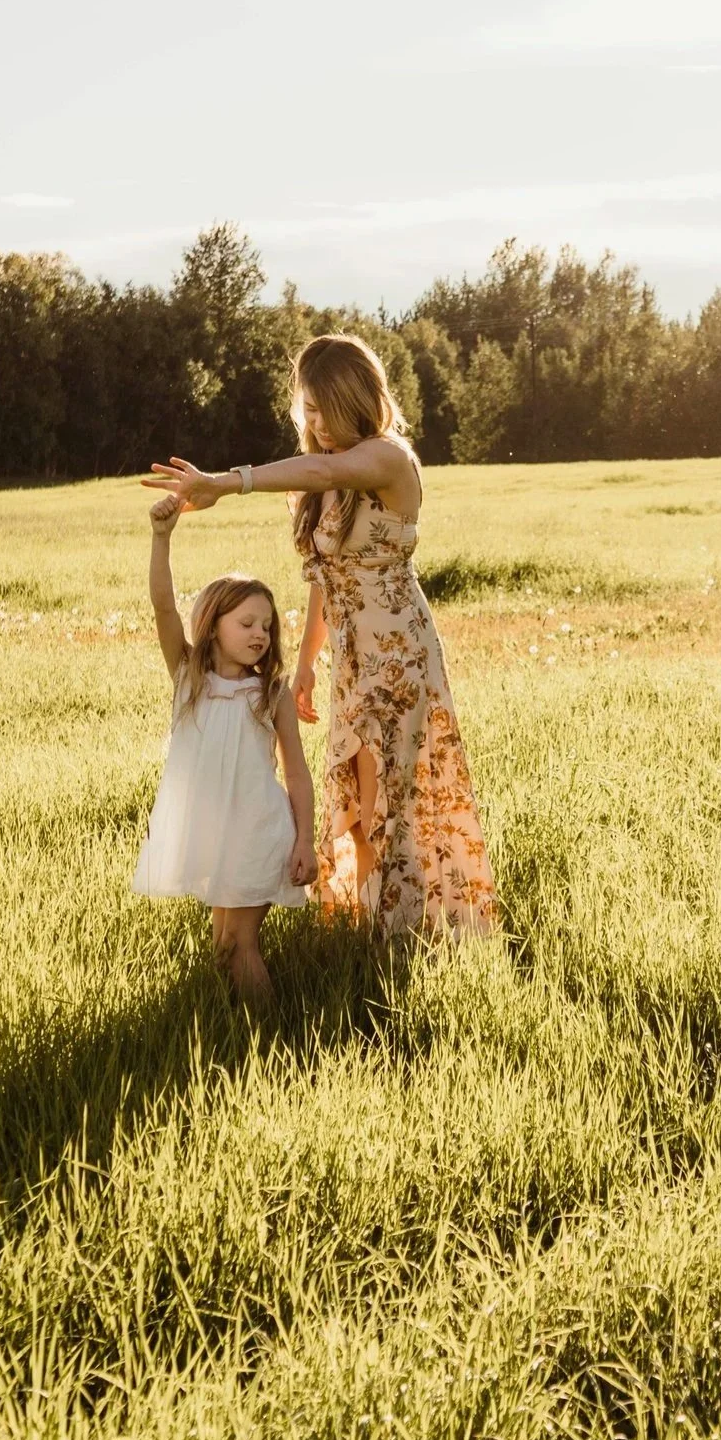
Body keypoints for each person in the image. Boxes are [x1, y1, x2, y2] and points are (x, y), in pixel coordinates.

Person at [144, 334, 497, 934]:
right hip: (351, 660)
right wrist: (308, 660)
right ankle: (365, 921)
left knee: (389, 787)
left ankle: (403, 928)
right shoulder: (322, 480)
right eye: (306, 409)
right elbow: (323, 579)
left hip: (399, 655)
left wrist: (225, 483)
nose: (316, 422)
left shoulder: (387, 458)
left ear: (359, 399)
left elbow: (325, 467)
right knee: (356, 798)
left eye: (326, 407)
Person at [130, 499, 315, 1000]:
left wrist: (305, 841)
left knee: (238, 944)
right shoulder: (190, 678)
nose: (261, 633)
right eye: (247, 622)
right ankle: (232, 1037)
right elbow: (164, 606)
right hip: (215, 833)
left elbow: (296, 774)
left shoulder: (271, 694)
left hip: (260, 831)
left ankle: (272, 1042)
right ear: (212, 624)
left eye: (267, 625)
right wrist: (162, 536)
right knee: (221, 948)